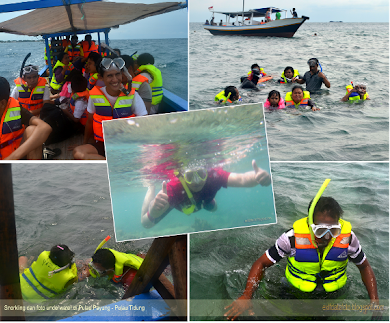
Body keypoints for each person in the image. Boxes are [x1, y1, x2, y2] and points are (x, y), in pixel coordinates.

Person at [224, 184, 379, 321]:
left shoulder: (349, 239)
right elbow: (261, 263)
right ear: (310, 224)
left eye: (333, 230)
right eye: (321, 230)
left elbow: (364, 267)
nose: (327, 237)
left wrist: (374, 300)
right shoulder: (291, 239)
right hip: (293, 292)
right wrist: (247, 295)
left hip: (331, 296)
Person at [140, 160, 271, 228]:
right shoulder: (172, 189)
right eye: (190, 176)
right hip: (181, 205)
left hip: (204, 202)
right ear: (182, 175)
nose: (196, 181)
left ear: (206, 172)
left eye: (201, 174)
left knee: (214, 209)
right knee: (147, 220)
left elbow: (241, 179)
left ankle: (209, 202)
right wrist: (153, 211)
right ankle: (150, 187)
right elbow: (145, 224)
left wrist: (257, 177)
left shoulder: (214, 175)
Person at [73, 57, 147, 160]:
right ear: (101, 77)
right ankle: (112, 163)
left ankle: (112, 162)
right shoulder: (94, 96)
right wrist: (85, 143)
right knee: (78, 152)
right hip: (103, 143)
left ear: (122, 74)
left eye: (118, 74)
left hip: (126, 144)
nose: (115, 79)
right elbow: (90, 121)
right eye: (109, 76)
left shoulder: (133, 95)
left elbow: (144, 121)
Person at [0, 76, 52, 160]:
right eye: (29, 77)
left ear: (2, 103)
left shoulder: (17, 110)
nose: (32, 80)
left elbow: (45, 128)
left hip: (16, 156)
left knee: (32, 130)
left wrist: (12, 158)